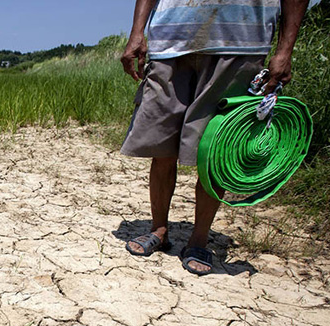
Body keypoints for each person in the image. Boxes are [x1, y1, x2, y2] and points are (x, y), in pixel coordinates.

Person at [120, 0, 309, 275]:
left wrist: (285, 49)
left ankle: (199, 239)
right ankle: (158, 229)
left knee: (215, 150)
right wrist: (137, 31)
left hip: (241, 42)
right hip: (170, 40)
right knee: (161, 145)